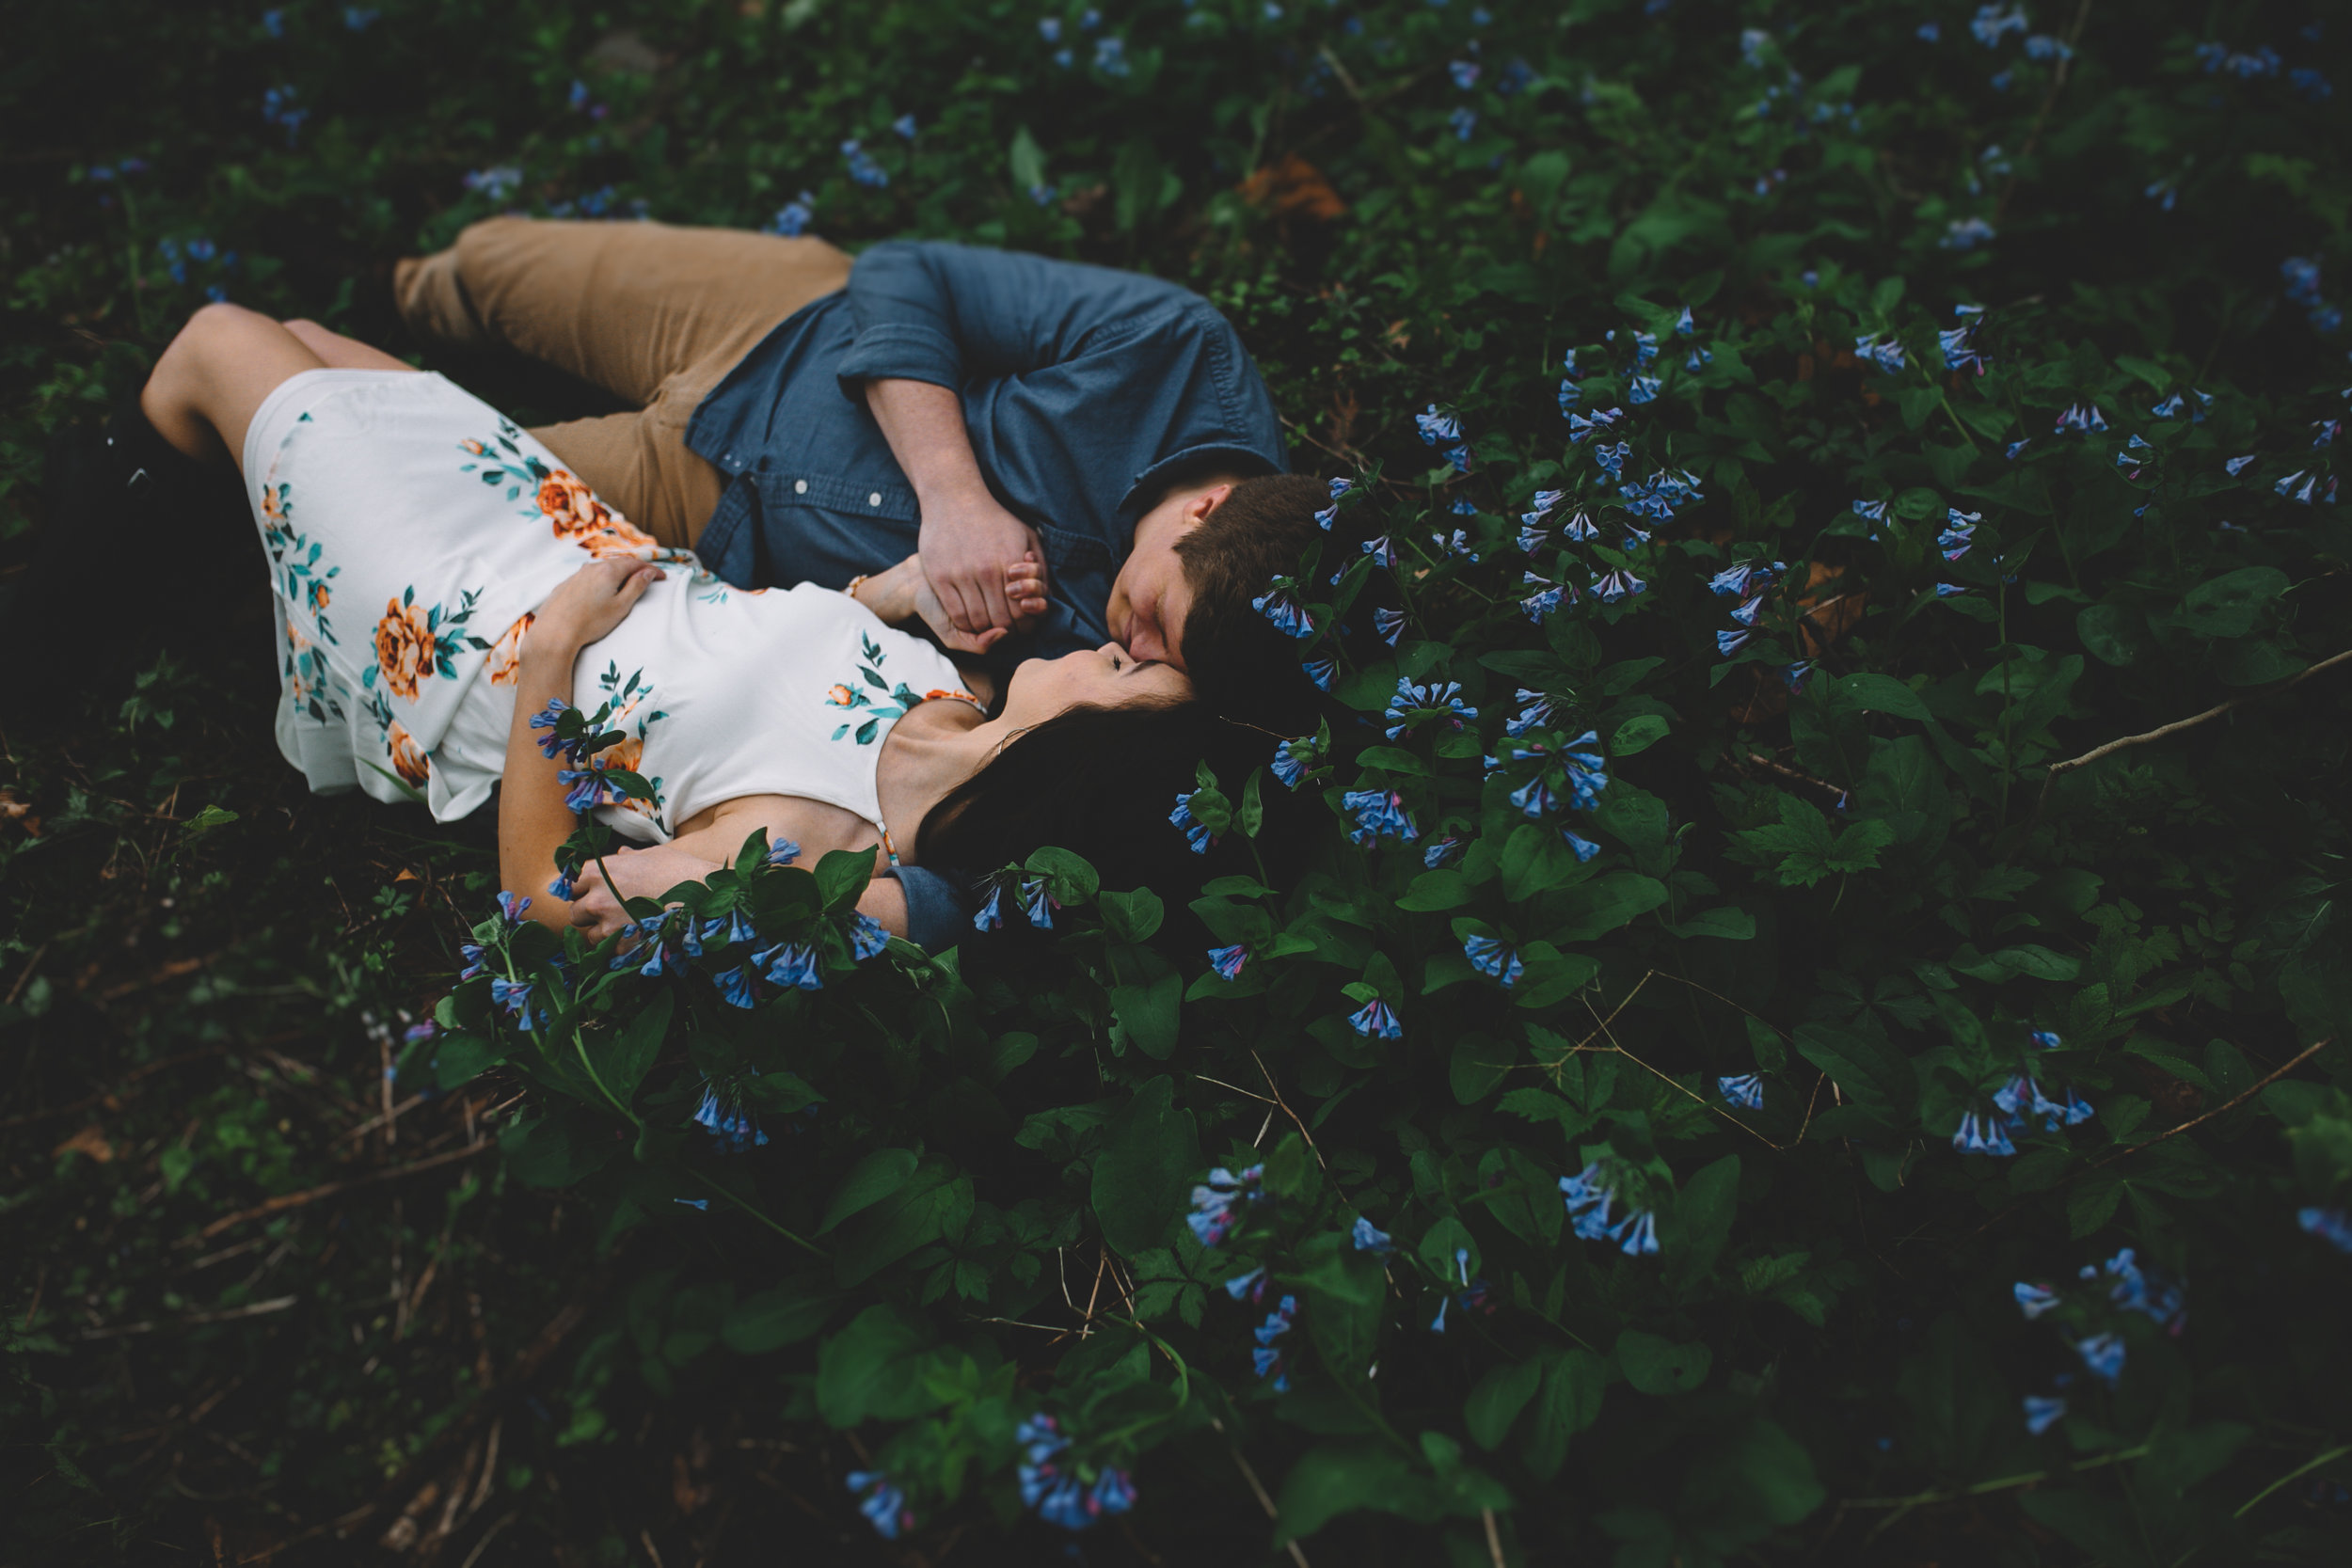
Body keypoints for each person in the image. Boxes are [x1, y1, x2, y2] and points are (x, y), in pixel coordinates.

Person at [117, 303, 1272, 949]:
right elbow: (776, 659)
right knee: (317, 341)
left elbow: (546, 907)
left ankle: (110, 533)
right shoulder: (962, 701)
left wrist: (554, 655)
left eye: (1131, 684)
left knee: (217, 342)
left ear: (1080, 759)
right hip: (580, 539)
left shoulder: (823, 856)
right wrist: (893, 593)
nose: (1125, 651)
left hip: (465, 631)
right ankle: (223, 508)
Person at [389, 221, 1327, 717]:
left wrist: (966, 664)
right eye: (1161, 618)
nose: (1144, 654)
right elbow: (906, 273)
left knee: (411, 470)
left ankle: (299, 381)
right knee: (490, 265)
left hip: (711, 515)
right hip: (776, 325)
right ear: (1205, 509)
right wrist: (956, 497)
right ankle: (403, 291)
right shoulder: (1174, 351)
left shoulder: (1154, 671)